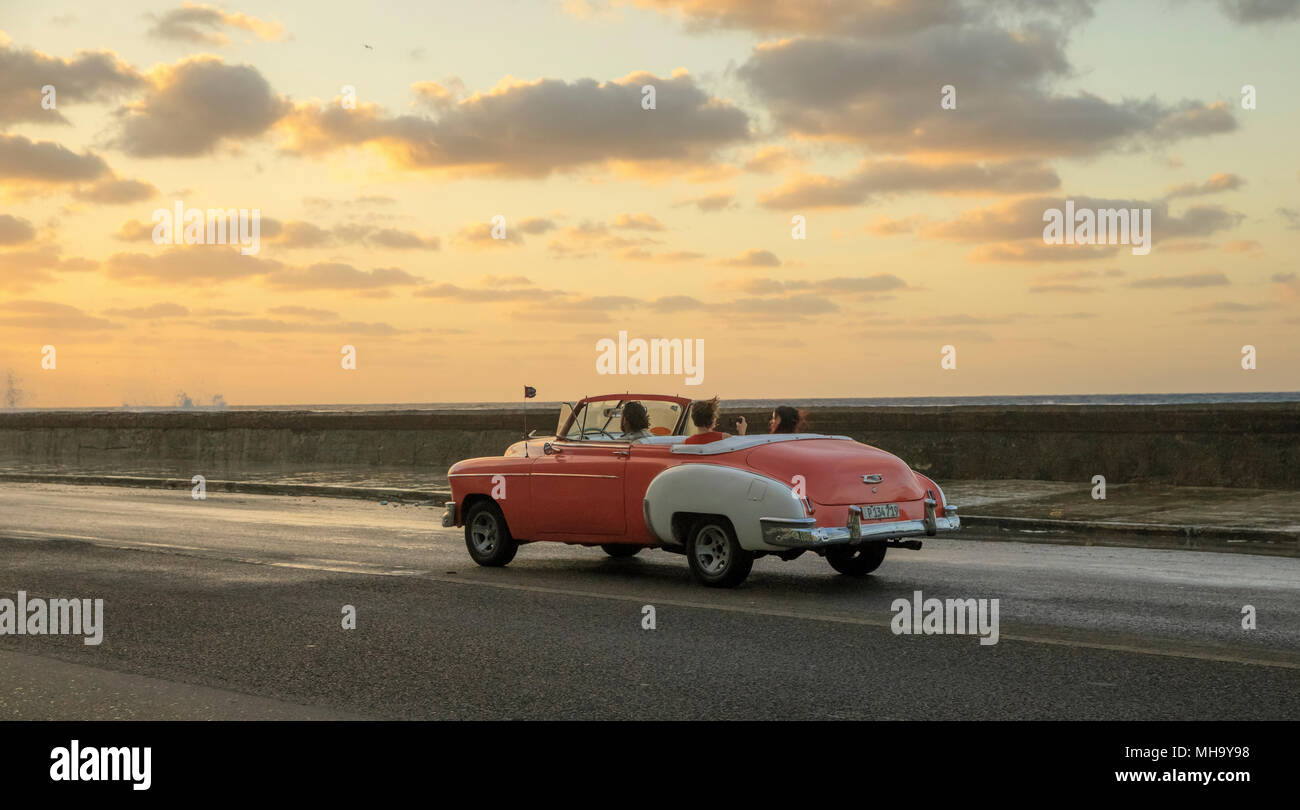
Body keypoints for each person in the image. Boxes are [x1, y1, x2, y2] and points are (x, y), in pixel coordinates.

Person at [735, 405, 806, 435]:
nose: (771, 421)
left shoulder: (772, 442)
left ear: (782, 422)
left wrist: (742, 433)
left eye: (774, 418)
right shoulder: (797, 440)